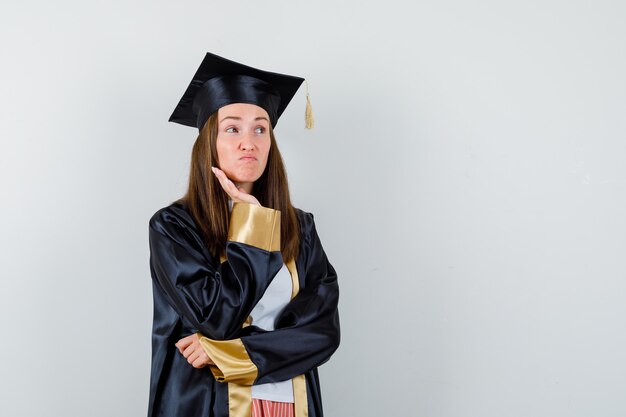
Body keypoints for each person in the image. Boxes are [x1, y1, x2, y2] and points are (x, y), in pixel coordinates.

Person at [147, 52, 340, 417]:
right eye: (232, 128)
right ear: (210, 142)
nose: (247, 142)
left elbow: (323, 334)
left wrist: (224, 352)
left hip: (291, 402)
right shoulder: (174, 227)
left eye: (260, 128)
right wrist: (253, 222)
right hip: (207, 403)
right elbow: (216, 316)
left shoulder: (301, 228)